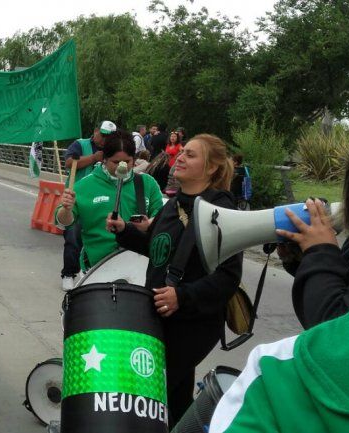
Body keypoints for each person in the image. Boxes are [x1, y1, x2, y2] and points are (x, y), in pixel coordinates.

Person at [209, 118, 349, 433]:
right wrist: (303, 260)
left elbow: (333, 322)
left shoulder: (270, 377)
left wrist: (321, 251)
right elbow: (339, 284)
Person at [107, 133, 242, 426]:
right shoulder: (174, 204)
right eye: (181, 152)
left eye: (191, 155)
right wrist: (124, 232)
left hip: (192, 324)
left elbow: (228, 277)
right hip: (159, 317)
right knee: (175, 402)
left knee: (149, 397)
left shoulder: (222, 210)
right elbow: (159, 251)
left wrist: (182, 296)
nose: (180, 157)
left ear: (211, 168)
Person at [55, 131, 163, 273]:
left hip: (140, 267)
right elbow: (64, 222)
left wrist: (148, 224)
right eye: (116, 162)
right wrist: (66, 209)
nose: (121, 166)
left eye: (127, 161)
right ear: (104, 159)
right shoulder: (84, 186)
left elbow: (162, 218)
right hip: (97, 268)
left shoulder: (147, 183)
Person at [60, 120, 117, 290]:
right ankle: (68, 273)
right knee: (73, 237)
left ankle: (89, 272)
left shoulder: (112, 151)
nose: (105, 139)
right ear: (96, 131)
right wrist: (94, 158)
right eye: (104, 135)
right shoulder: (80, 144)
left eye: (110, 137)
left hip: (101, 202)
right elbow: (69, 163)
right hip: (78, 198)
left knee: (97, 238)